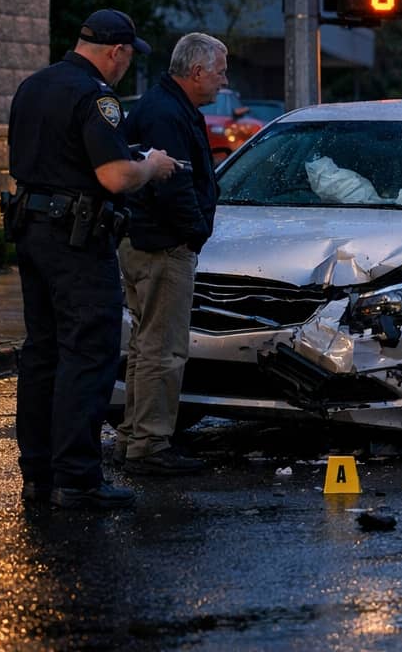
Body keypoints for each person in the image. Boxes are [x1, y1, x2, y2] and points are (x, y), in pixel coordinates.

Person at [6, 9, 178, 510]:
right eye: (127, 56)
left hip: (32, 230)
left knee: (43, 352)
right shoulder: (96, 96)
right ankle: (77, 479)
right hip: (76, 240)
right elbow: (114, 177)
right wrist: (150, 166)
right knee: (87, 351)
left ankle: (37, 475)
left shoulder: (32, 86)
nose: (125, 65)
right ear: (117, 51)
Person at [116, 33, 227, 475]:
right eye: (220, 71)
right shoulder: (167, 113)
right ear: (197, 72)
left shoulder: (163, 106)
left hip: (146, 240)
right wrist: (194, 232)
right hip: (162, 244)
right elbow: (174, 184)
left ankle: (134, 436)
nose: (224, 80)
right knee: (163, 349)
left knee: (146, 346)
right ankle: (150, 444)